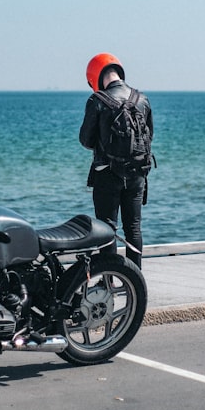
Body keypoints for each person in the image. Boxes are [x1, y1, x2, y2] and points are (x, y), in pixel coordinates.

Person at [79, 53, 153, 269]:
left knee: (108, 229)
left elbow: (85, 140)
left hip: (107, 174)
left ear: (94, 76)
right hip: (138, 174)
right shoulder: (142, 99)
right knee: (134, 228)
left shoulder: (97, 100)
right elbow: (150, 136)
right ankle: (135, 281)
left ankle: (109, 281)